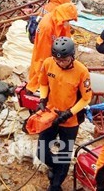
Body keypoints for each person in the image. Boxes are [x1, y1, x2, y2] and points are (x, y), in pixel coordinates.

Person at [37, 37, 92, 191]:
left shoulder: (82, 71)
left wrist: (69, 113)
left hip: (70, 121)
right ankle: (54, 166)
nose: (60, 63)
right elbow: (43, 83)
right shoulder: (48, 63)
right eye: (57, 60)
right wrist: (42, 99)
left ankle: (56, 185)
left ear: (72, 56)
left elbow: (87, 98)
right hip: (51, 115)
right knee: (41, 151)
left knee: (64, 154)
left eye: (64, 60)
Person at [27, 2, 78, 93]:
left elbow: (66, 36)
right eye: (69, 20)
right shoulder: (47, 27)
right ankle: (35, 88)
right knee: (40, 68)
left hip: (55, 48)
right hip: (45, 51)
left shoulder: (60, 20)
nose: (69, 23)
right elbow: (44, 56)